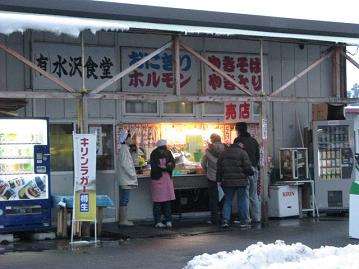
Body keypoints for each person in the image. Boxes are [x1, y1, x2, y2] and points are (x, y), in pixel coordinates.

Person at [216, 142, 253, 228]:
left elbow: (219, 168)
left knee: (228, 200)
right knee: (242, 201)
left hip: (227, 181)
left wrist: (218, 180)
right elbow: (247, 167)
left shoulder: (223, 153)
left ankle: (225, 220)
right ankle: (244, 221)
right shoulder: (243, 153)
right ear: (240, 145)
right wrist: (251, 173)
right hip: (241, 181)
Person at [234, 122, 261, 223]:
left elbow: (236, 155)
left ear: (237, 130)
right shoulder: (254, 141)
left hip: (243, 170)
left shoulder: (238, 140)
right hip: (254, 169)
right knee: (253, 195)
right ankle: (257, 217)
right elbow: (258, 156)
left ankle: (246, 218)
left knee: (244, 194)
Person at [201, 133, 226, 225]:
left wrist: (207, 170)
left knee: (213, 199)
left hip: (212, 177)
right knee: (224, 198)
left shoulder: (209, 151)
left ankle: (215, 219)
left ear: (212, 140)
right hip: (224, 177)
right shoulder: (225, 148)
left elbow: (203, 164)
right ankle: (225, 218)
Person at [150, 139, 176, 228]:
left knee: (167, 201)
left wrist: (168, 166)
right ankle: (158, 221)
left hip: (166, 179)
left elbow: (173, 163)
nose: (163, 151)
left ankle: (168, 220)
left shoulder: (168, 153)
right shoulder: (154, 154)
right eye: (161, 149)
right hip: (158, 179)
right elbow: (154, 167)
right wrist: (165, 168)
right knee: (158, 202)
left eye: (163, 149)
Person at [117, 130, 138, 226]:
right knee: (124, 200)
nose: (131, 140)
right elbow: (126, 165)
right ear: (125, 140)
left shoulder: (124, 149)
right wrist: (133, 175)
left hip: (124, 179)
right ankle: (123, 220)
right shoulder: (124, 150)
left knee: (124, 199)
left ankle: (123, 219)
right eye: (129, 138)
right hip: (126, 179)